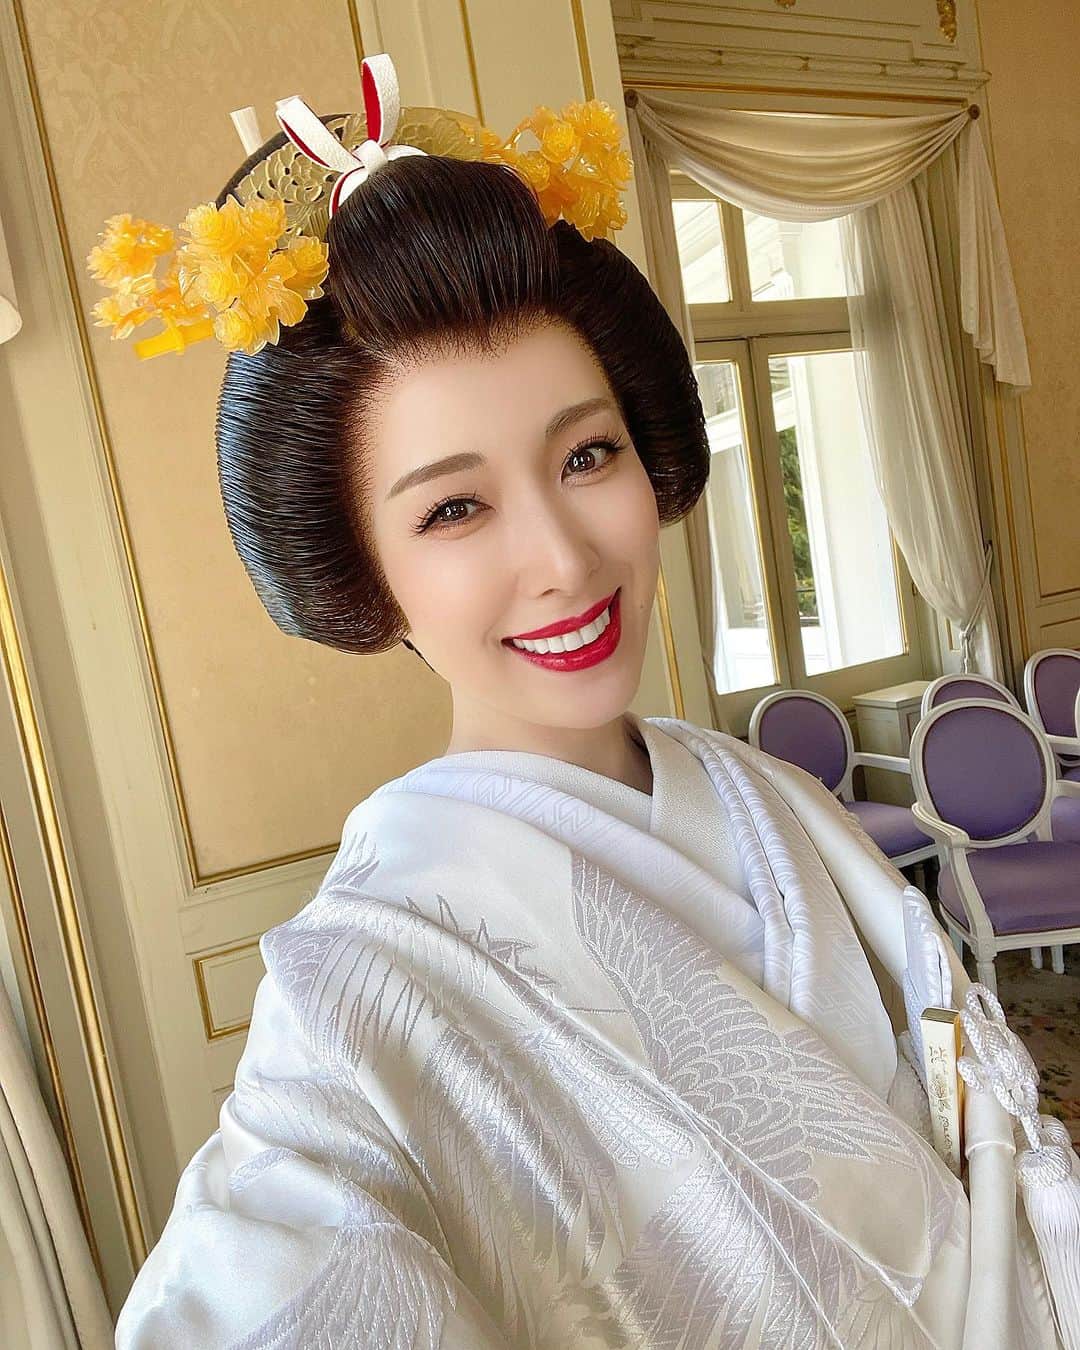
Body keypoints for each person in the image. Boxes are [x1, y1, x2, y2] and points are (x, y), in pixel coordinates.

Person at [106, 54, 1063, 1350]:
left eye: (587, 454)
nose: (563, 557)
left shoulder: (777, 800)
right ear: (362, 573)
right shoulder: (357, 987)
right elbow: (266, 1264)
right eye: (454, 507)